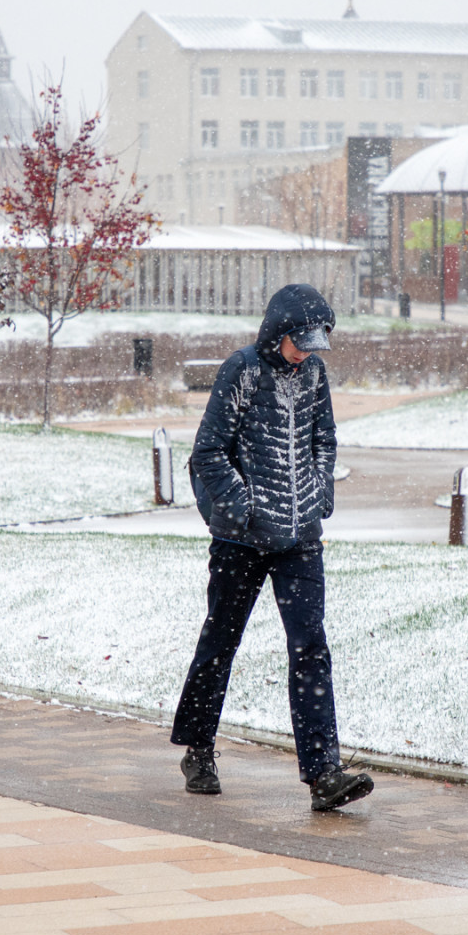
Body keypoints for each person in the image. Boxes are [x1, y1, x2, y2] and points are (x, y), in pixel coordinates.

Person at [173, 283, 374, 813]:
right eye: (299, 341)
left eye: (314, 342)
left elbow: (325, 439)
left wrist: (319, 493)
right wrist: (245, 508)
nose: (306, 351)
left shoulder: (313, 374)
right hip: (241, 541)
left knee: (311, 647)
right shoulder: (241, 371)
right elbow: (208, 452)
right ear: (277, 332)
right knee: (221, 642)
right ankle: (198, 750)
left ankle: (324, 773)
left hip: (300, 540)